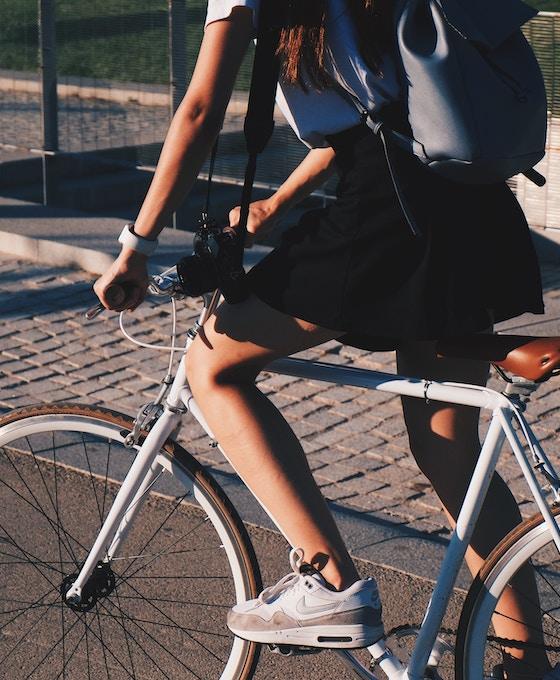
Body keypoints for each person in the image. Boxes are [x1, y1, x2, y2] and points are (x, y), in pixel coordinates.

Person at [94, 1, 552, 676]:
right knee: (449, 452)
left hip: (389, 212)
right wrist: (275, 204)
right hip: (468, 200)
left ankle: (329, 585)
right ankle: (526, 664)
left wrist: (135, 246)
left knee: (213, 365)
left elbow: (199, 111)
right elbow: (380, 114)